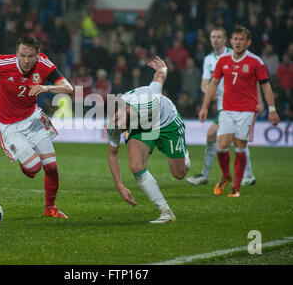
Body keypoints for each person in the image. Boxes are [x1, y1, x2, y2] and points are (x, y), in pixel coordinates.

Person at [0, 36, 73, 218]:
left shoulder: (43, 63)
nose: (26, 60)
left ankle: (50, 208)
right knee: (34, 168)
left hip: (33, 118)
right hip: (8, 125)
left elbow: (68, 87)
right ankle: (26, 160)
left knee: (52, 168)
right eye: (22, 55)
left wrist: (46, 88)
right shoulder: (3, 63)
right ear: (16, 53)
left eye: (30, 56)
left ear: (37, 55)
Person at [107, 56, 190, 224]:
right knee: (136, 165)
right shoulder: (114, 124)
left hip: (168, 122)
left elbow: (159, 78)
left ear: (127, 110)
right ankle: (165, 212)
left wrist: (164, 67)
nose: (118, 125)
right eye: (115, 120)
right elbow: (112, 155)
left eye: (119, 121)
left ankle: (184, 156)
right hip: (143, 127)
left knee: (179, 174)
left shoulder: (148, 100)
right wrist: (120, 186)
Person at [199, 26, 280, 197]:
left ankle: (236, 187)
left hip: (246, 110)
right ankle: (226, 176)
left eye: (241, 39)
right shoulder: (223, 61)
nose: (238, 42)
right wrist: (205, 106)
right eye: (235, 39)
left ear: (248, 42)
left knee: (240, 147)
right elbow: (213, 84)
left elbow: (265, 86)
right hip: (227, 109)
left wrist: (272, 109)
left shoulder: (255, 62)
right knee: (221, 147)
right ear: (231, 41)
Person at [187, 27, 260, 186]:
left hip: (234, 104)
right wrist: (209, 92)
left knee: (215, 135)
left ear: (226, 39)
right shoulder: (208, 59)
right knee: (231, 138)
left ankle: (206, 174)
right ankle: (248, 175)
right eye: (213, 37)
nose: (215, 40)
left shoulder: (233, 55)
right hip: (223, 105)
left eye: (219, 37)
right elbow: (204, 85)